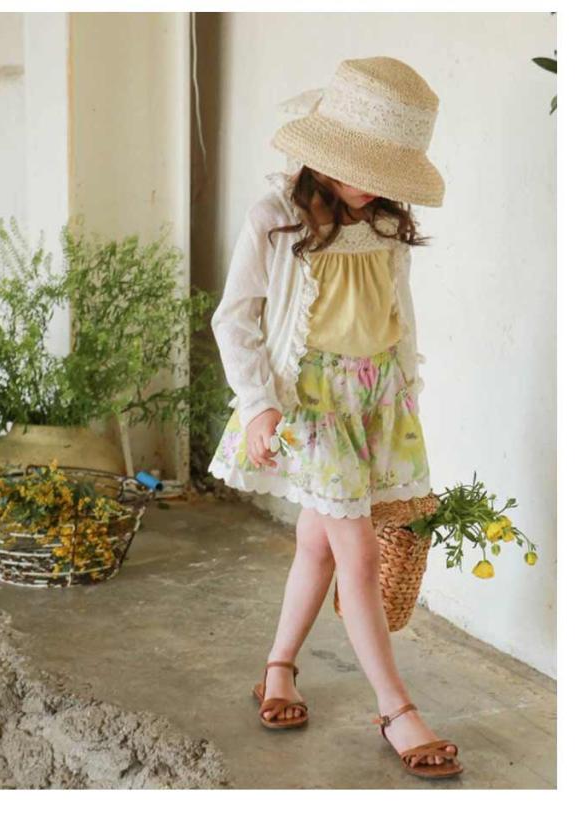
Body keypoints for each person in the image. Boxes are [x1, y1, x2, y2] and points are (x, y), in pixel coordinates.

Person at [207, 57, 462, 780]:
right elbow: (235, 319)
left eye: (385, 171)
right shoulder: (276, 218)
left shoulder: (383, 223)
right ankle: (396, 708)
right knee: (360, 555)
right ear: (323, 153)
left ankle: (278, 668)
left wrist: (405, 393)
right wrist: (258, 404)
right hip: (310, 408)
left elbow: (395, 312)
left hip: (374, 404)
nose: (371, 184)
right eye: (360, 168)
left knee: (317, 546)